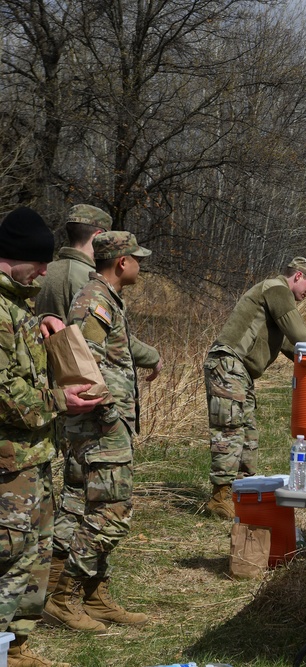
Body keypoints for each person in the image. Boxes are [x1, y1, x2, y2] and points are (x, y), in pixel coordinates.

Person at [35, 206, 162, 616]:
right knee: (113, 510)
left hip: (105, 420)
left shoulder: (107, 298)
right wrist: (107, 414)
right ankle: (65, 595)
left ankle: (95, 595)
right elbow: (83, 364)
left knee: (87, 505)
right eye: (137, 261)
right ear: (122, 262)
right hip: (101, 424)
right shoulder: (94, 302)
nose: (140, 267)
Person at [0, 206, 102, 667]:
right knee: (10, 554)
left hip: (33, 455)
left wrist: (43, 334)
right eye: (38, 262)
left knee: (36, 554)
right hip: (8, 463)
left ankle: (16, 646)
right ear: (10, 256)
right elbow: (6, 394)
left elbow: (24, 367)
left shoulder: (19, 304)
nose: (46, 269)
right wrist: (62, 402)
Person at [203, 257, 306, 519]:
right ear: (298, 276)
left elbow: (293, 347)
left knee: (248, 432)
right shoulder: (277, 290)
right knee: (230, 430)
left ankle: (242, 491)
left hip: (240, 371)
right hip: (228, 363)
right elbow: (300, 336)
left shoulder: (276, 296)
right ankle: (219, 496)